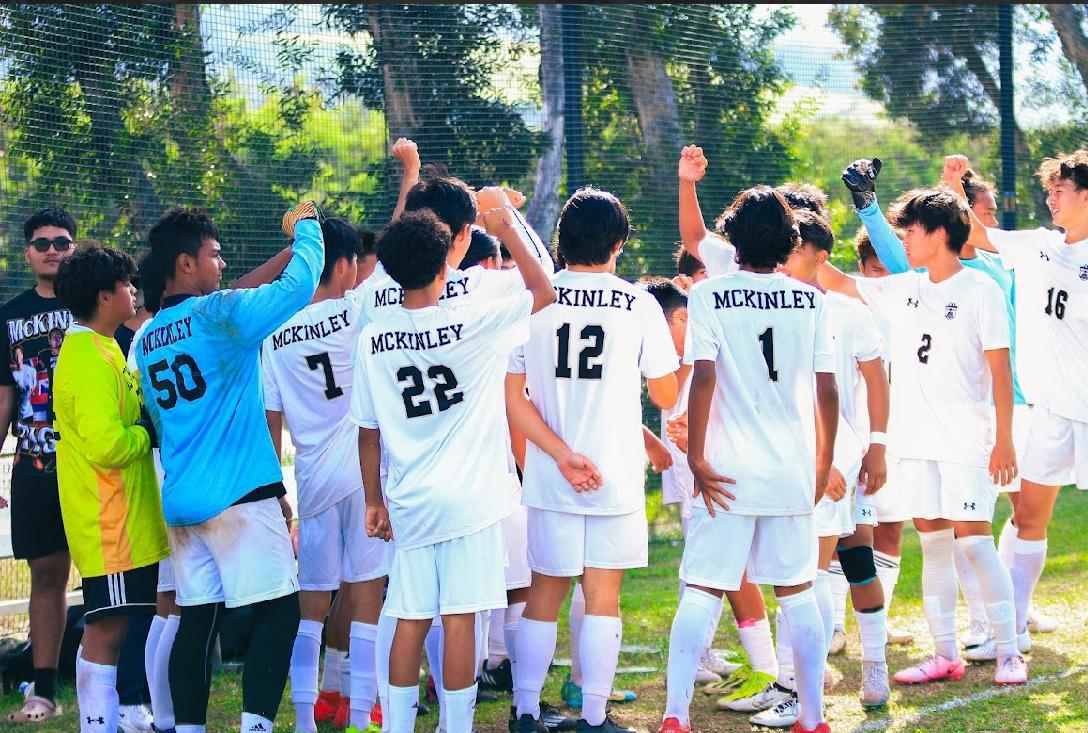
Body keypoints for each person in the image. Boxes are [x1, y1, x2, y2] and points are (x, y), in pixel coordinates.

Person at [349, 208, 558, 733]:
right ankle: (457, 727)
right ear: (446, 266)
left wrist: (374, 500)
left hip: (409, 500)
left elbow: (367, 432)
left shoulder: (373, 337)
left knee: (411, 617)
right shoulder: (473, 322)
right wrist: (507, 224)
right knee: (461, 616)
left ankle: (399, 727)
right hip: (471, 502)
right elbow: (545, 288)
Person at [818, 187, 1026, 686]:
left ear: (938, 233)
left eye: (909, 230)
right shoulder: (905, 286)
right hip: (916, 444)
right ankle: (945, 653)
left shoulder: (982, 291)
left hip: (968, 443)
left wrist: (1004, 440)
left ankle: (1010, 651)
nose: (903, 240)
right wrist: (797, 243)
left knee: (974, 545)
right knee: (933, 546)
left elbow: (1001, 371)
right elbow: (839, 281)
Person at [842, 155, 1051, 647]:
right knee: (962, 531)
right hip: (962, 420)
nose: (992, 224)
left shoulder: (996, 275)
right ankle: (991, 627)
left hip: (1009, 410)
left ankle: (1009, 620)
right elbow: (899, 259)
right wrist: (870, 207)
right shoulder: (930, 277)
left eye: (993, 215)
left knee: (1016, 519)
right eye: (985, 214)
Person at [134, 203, 325, 733]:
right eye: (214, 256)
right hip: (238, 496)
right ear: (185, 264)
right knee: (282, 612)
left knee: (198, 619)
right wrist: (306, 224)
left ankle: (189, 728)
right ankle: (256, 726)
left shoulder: (147, 337)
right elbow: (300, 285)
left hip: (184, 503)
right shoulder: (217, 316)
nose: (222, 265)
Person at [659, 185, 838, 733]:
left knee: (703, 587)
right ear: (790, 242)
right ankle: (814, 716)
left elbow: (705, 379)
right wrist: (823, 462)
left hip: (726, 470)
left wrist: (694, 457)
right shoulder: (812, 298)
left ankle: (675, 717)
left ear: (731, 237)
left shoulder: (710, 295)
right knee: (798, 591)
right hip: (791, 466)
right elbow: (827, 390)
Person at [508, 188, 678, 733]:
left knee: (544, 593)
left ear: (562, 240)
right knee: (603, 595)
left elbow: (513, 400)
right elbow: (666, 396)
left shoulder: (531, 296)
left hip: (554, 472)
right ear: (620, 244)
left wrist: (560, 454)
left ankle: (526, 712)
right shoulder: (640, 303)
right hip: (614, 474)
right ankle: (595, 717)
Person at [757, 210, 890, 728]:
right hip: (798, 456)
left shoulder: (847, 310)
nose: (785, 259)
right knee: (827, 565)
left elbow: (874, 381)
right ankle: (805, 684)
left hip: (839, 458)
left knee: (820, 569)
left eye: (794, 250)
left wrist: (872, 448)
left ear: (819, 256)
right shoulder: (769, 305)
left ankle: (825, 681)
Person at [953, 149, 1088, 655]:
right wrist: (952, 186)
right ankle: (1013, 629)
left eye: (1061, 190)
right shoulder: (1036, 246)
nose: (1050, 197)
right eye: (1049, 189)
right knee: (1029, 516)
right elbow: (974, 232)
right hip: (1051, 409)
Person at [261, 216, 392, 733]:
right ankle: (361, 716)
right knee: (365, 601)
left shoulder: (272, 336)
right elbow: (398, 239)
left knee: (310, 609)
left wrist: (277, 493)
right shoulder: (356, 310)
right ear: (342, 266)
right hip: (365, 481)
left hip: (311, 483)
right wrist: (408, 178)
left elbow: (272, 423)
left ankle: (303, 721)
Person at [675, 145, 781, 709]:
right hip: (787, 452)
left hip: (727, 450)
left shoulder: (719, 286)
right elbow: (695, 237)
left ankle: (775, 677)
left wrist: (693, 450)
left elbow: (707, 376)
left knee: (719, 573)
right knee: (786, 577)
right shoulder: (800, 292)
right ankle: (783, 681)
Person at [51, 245, 169, 733]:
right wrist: (148, 432)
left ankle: (116, 717)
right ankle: (97, 724)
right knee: (106, 630)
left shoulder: (103, 347)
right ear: (104, 296)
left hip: (124, 520)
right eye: (126, 286)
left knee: (117, 627)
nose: (133, 292)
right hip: (108, 524)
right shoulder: (87, 358)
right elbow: (106, 444)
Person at [1, 208, 78, 724]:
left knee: (105, 574)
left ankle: (113, 680)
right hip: (34, 465)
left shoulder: (97, 297)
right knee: (46, 575)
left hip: (93, 462)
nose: (52, 249)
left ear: (74, 248)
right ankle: (43, 690)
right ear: (27, 252)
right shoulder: (8, 316)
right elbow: (5, 399)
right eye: (42, 243)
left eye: (62, 242)